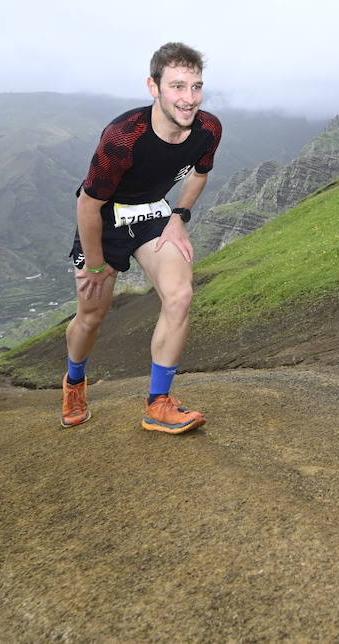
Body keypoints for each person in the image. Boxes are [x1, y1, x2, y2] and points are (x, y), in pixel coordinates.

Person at [62, 42, 222, 433]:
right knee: (92, 315)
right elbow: (88, 204)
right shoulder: (124, 137)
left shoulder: (208, 129)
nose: (189, 99)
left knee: (180, 296)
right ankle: (75, 383)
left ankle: (159, 403)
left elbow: (200, 174)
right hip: (105, 219)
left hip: (153, 214)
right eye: (177, 86)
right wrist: (96, 265)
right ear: (154, 87)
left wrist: (179, 217)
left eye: (196, 87)